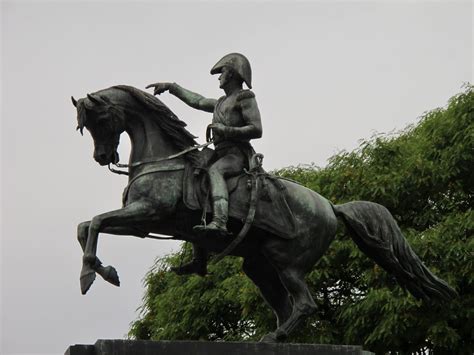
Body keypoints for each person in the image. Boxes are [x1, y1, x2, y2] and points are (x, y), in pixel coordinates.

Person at [147, 53, 262, 238]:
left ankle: (220, 221)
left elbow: (257, 129)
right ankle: (198, 251)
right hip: (219, 153)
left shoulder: (244, 97)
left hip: (236, 155)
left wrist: (226, 130)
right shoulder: (221, 102)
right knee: (192, 172)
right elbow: (198, 101)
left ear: (231, 74)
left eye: (222, 72)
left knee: (215, 171)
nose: (219, 77)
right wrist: (171, 87)